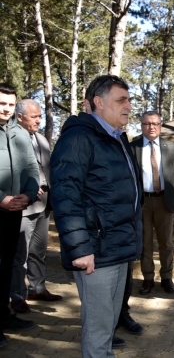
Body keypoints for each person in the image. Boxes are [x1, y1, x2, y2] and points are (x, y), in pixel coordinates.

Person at [50, 75, 142, 357]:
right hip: (96, 251)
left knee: (109, 323)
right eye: (121, 100)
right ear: (98, 103)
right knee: (100, 327)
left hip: (118, 246)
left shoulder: (116, 138)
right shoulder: (79, 138)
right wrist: (80, 249)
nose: (128, 106)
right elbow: (66, 196)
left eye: (129, 100)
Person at [9, 100, 63, 315]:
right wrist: (29, 187)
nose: (39, 120)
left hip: (44, 206)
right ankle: (17, 296)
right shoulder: (10, 137)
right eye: (34, 117)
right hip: (23, 206)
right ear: (20, 116)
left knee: (38, 251)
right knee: (19, 255)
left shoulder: (41, 138)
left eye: (40, 116)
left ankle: (37, 288)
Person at [0, 84, 40, 348]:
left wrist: (28, 195)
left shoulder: (20, 133)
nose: (6, 108)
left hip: (14, 212)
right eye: (2, 103)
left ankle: (4, 315)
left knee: (5, 267)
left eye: (10, 104)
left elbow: (32, 169)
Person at [130, 111, 174, 295]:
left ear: (160, 126)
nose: (151, 127)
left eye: (155, 123)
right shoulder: (133, 147)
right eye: (147, 123)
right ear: (141, 126)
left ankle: (167, 277)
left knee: (166, 243)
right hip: (142, 203)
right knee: (145, 243)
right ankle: (147, 279)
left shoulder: (171, 147)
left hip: (165, 201)